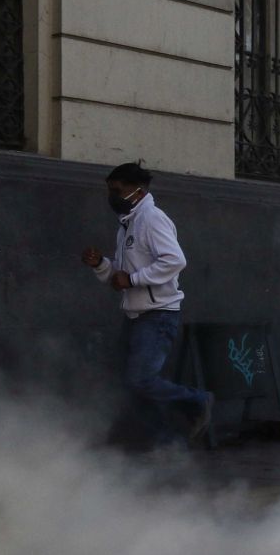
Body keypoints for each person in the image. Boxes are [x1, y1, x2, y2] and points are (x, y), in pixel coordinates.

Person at [81, 162, 214, 449]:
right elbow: (121, 274)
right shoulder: (128, 223)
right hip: (135, 315)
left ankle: (197, 400)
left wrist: (134, 279)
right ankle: (160, 441)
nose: (112, 196)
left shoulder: (152, 219)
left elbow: (175, 260)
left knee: (139, 380)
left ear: (137, 192)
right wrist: (101, 265)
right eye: (110, 191)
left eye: (117, 190)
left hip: (157, 315)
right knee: (129, 384)